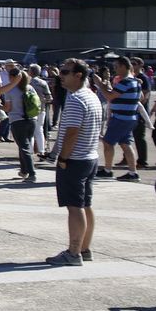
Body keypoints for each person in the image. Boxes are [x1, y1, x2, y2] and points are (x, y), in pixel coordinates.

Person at [46, 59, 105, 267]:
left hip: (75, 160)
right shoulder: (92, 96)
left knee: (74, 207)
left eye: (65, 72)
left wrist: (62, 158)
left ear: (78, 75)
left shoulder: (75, 99)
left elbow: (72, 132)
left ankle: (73, 252)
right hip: (90, 157)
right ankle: (84, 248)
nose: (60, 76)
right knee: (85, 205)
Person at [100, 57, 141, 182]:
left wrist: (100, 85)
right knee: (125, 144)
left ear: (124, 66)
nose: (115, 69)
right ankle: (133, 173)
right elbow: (142, 97)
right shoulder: (135, 82)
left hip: (121, 118)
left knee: (108, 143)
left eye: (116, 66)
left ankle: (107, 170)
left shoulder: (126, 82)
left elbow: (109, 96)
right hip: (130, 117)